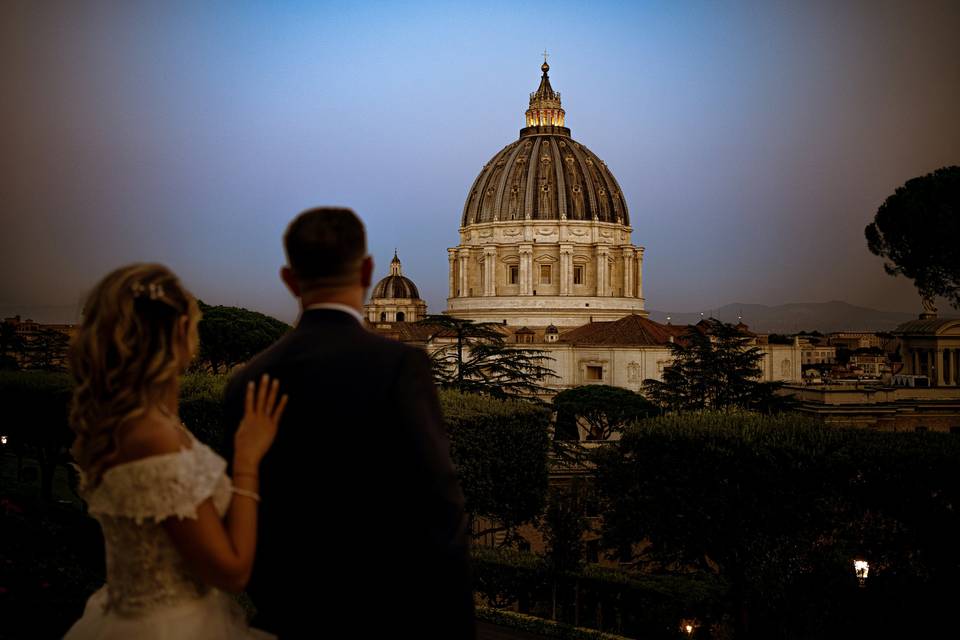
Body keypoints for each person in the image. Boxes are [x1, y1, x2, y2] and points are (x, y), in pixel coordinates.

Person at [223, 207, 475, 638]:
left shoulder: (246, 380)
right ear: (365, 270)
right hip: (385, 617)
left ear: (288, 279)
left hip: (288, 617)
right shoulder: (402, 366)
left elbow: (242, 511)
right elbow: (441, 510)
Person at [64, 263, 287, 639]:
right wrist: (248, 458)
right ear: (181, 331)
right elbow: (231, 572)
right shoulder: (153, 436)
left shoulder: (125, 420)